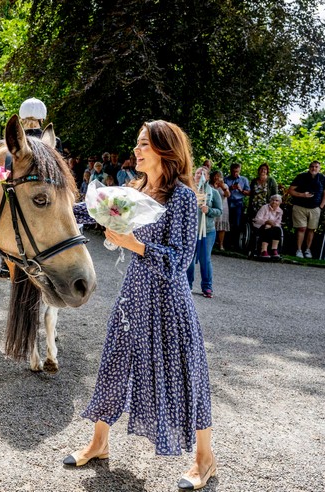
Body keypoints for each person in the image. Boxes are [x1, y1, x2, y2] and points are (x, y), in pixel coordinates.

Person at [64, 120, 216, 491]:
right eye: (138, 144)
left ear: (166, 149)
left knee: (186, 374)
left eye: (144, 144)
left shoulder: (181, 197)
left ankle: (205, 459)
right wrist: (37, 196)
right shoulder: (134, 189)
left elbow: (181, 260)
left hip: (169, 302)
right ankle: (99, 443)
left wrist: (137, 246)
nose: (137, 150)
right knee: (114, 365)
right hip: (134, 294)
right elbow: (86, 210)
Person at [0, 96, 61, 279]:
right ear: (42, 117)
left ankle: (4, 262)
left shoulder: (12, 141)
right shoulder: (53, 141)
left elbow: (3, 170)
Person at [187, 166, 222, 298]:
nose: (199, 175)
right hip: (190, 231)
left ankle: (207, 287)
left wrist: (209, 211)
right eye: (197, 173)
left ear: (207, 177)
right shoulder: (189, 191)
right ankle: (187, 285)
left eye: (203, 174)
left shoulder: (213, 192)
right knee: (188, 259)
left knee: (205, 259)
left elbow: (219, 211)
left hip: (207, 231)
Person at [288, 160, 325, 258]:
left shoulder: (323, 178)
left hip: (315, 208)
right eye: (312, 166)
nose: (314, 168)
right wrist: (302, 195)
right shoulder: (301, 177)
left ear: (319, 168)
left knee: (311, 229)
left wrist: (321, 207)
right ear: (309, 167)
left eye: (316, 167)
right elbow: (290, 190)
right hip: (300, 207)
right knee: (301, 228)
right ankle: (298, 250)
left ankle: (307, 250)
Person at [224, 163, 250, 249]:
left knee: (237, 223)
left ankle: (235, 244)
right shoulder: (226, 179)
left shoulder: (244, 180)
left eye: (237, 172)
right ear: (230, 170)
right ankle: (226, 243)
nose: (235, 173)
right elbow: (221, 191)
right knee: (227, 222)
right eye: (233, 171)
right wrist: (231, 188)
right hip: (228, 202)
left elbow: (249, 192)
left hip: (238, 203)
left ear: (240, 171)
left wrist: (241, 190)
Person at [210, 169, 230, 250]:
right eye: (215, 176)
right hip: (213, 207)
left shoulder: (225, 185)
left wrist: (222, 186)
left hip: (223, 207)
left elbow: (228, 195)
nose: (217, 177)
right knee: (212, 225)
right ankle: (211, 244)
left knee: (222, 227)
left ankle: (221, 244)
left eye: (219, 176)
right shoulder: (209, 186)